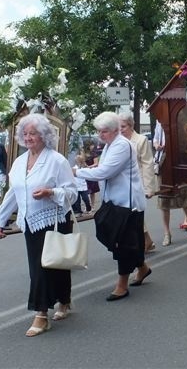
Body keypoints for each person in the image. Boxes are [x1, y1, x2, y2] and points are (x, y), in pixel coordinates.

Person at [0, 114, 78, 337]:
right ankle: (63, 301)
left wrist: (51, 192)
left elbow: (73, 193)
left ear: (44, 136)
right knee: (41, 267)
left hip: (55, 221)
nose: (28, 137)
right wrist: (0, 221)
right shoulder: (19, 162)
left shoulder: (57, 160)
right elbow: (13, 193)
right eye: (25, 134)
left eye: (33, 133)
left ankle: (41, 314)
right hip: (30, 222)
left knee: (54, 265)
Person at [76, 112, 152, 300]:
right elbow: (104, 168)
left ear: (116, 130)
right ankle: (142, 268)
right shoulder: (110, 145)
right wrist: (91, 168)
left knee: (124, 244)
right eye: (99, 131)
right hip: (114, 202)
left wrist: (76, 173)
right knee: (113, 235)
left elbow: (105, 172)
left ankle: (122, 285)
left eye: (105, 131)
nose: (101, 135)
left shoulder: (122, 145)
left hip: (127, 203)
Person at [119, 112, 160, 252]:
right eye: (119, 127)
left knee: (134, 213)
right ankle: (147, 241)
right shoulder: (118, 141)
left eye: (123, 126)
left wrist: (149, 188)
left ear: (131, 126)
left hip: (138, 184)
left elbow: (148, 164)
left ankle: (142, 243)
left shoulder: (141, 140)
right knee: (132, 214)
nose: (121, 130)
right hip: (123, 185)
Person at [84, 139, 102, 208]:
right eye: (92, 145)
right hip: (86, 173)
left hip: (92, 173)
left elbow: (96, 164)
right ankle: (87, 206)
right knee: (85, 190)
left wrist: (88, 167)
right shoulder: (84, 153)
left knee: (92, 191)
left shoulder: (94, 154)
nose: (93, 146)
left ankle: (93, 205)